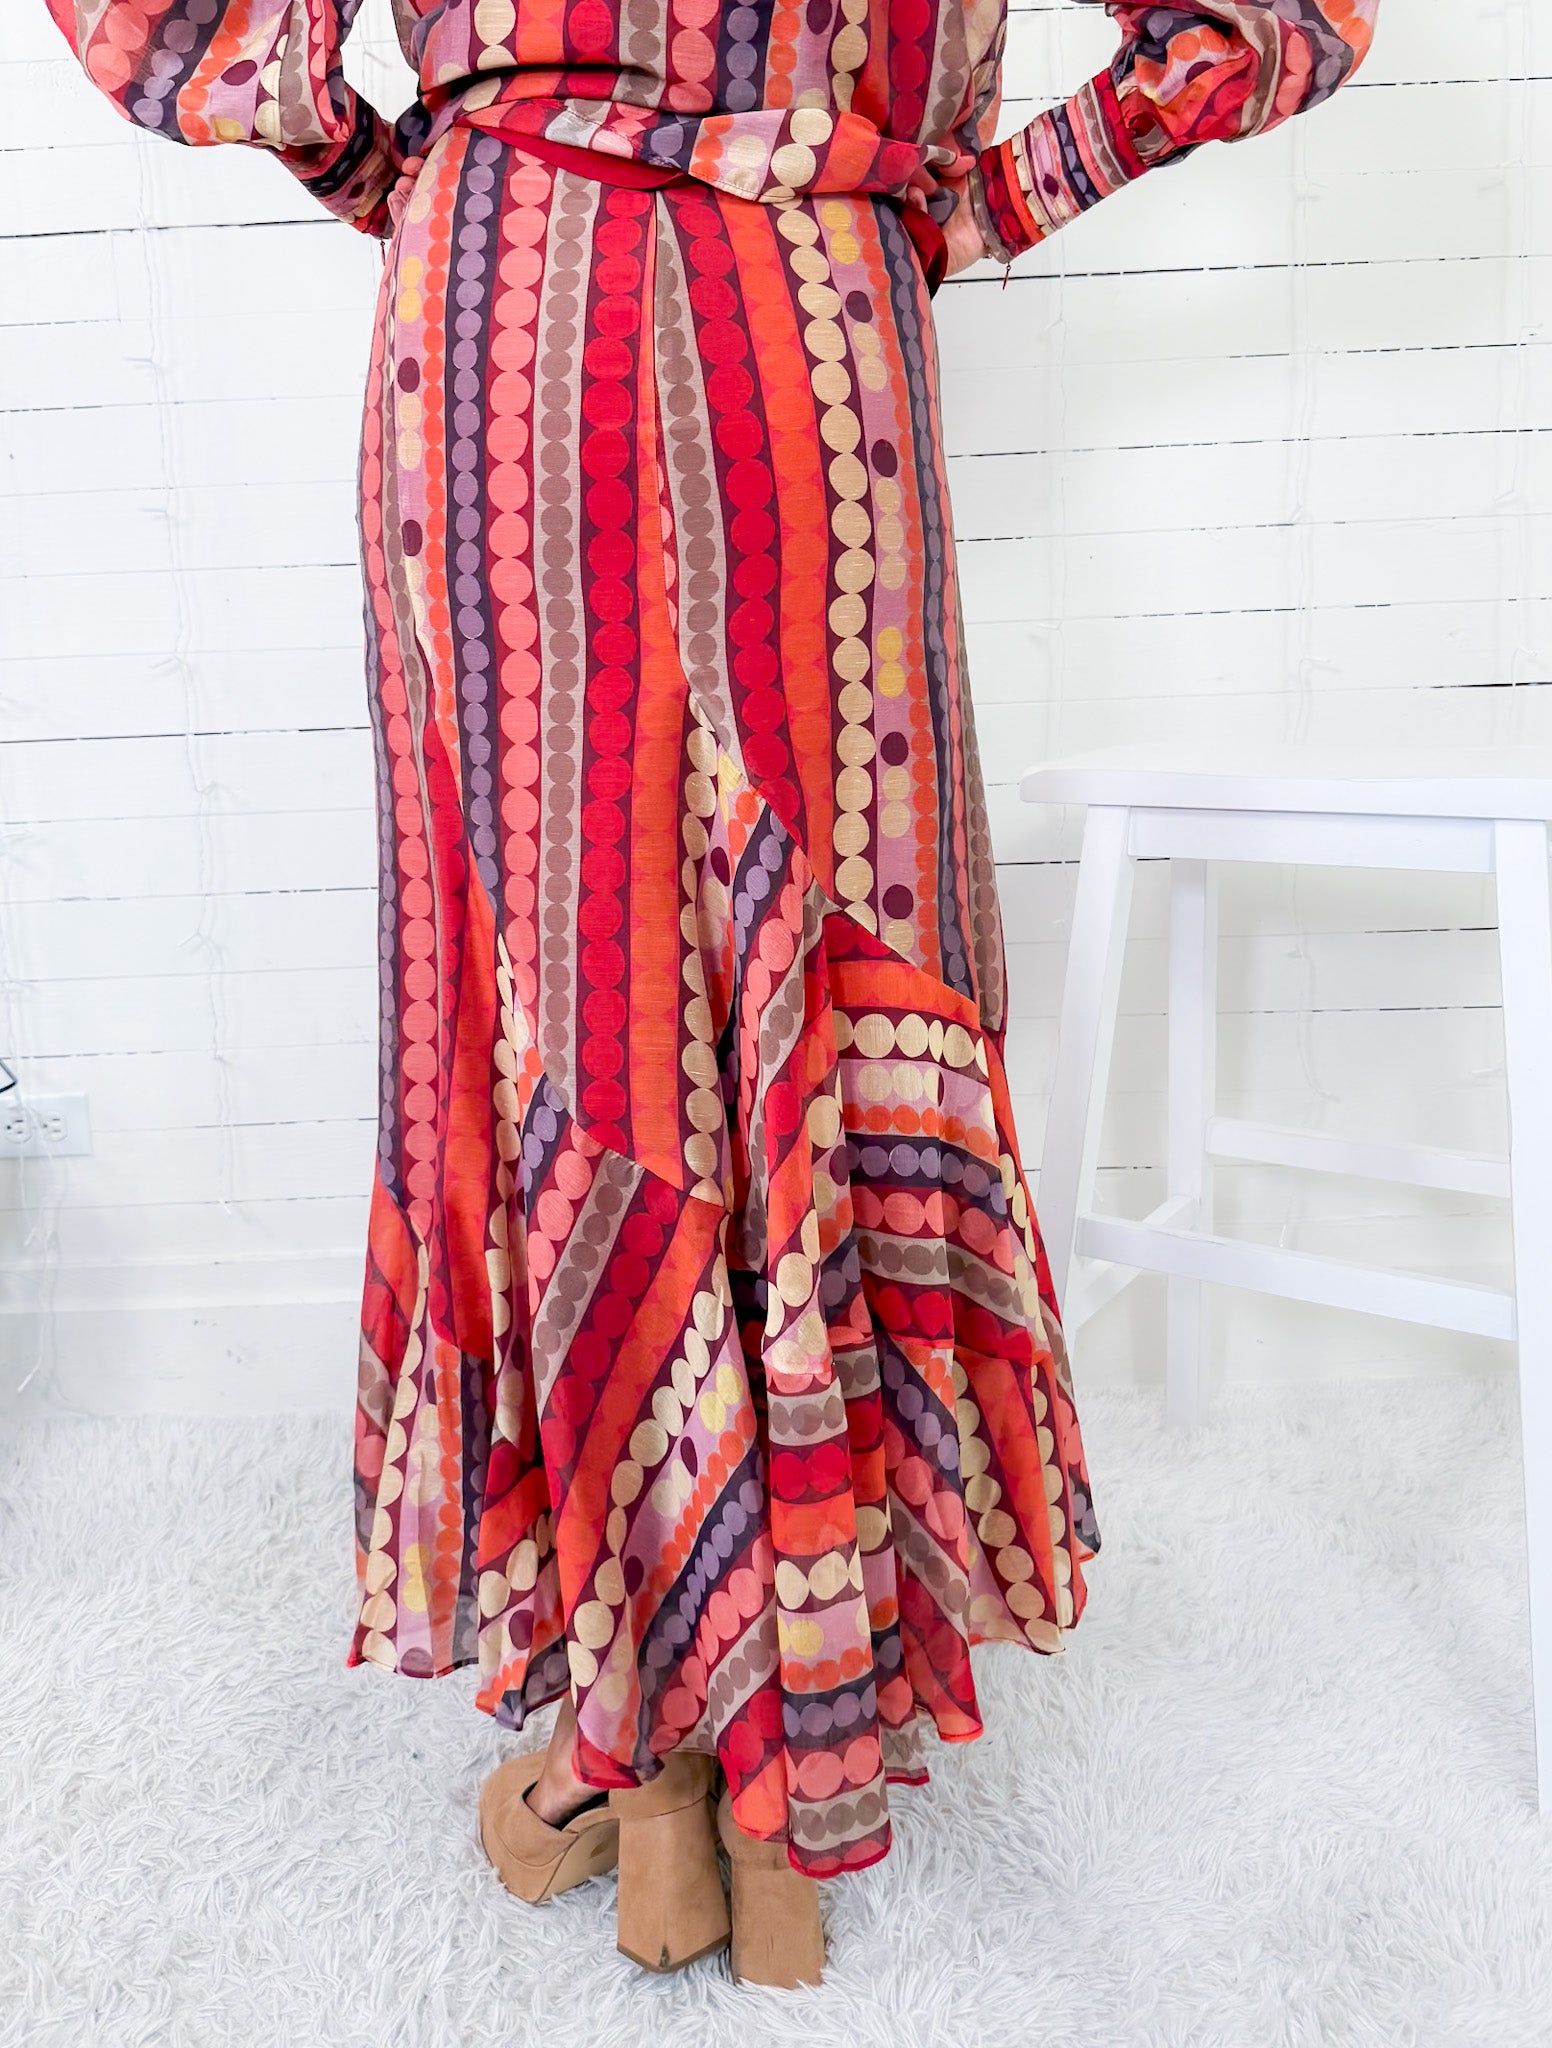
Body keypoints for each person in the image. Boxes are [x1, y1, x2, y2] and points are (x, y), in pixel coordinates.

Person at [47, 0, 1377, 1990]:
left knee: (562, 1013)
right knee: (803, 990)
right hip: (808, 331)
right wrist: (980, 198)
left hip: (507, 306)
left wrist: (380, 163)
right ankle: (784, 1763)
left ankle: (636, 1744)